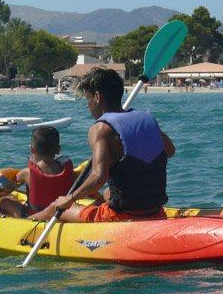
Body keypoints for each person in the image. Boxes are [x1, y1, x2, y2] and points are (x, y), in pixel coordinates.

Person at [33, 67, 175, 223]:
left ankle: (24, 222)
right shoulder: (147, 119)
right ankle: (91, 211)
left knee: (54, 207)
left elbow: (98, 176)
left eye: (88, 98)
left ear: (97, 97)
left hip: (121, 216)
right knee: (108, 193)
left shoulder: (100, 129)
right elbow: (170, 150)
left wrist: (70, 199)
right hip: (155, 210)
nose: (88, 105)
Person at [0, 126, 75, 218]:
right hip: (61, 214)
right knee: (12, 198)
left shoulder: (27, 173)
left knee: (5, 201)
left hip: (34, 216)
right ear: (58, 149)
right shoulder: (67, 168)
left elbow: (4, 187)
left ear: (32, 150)